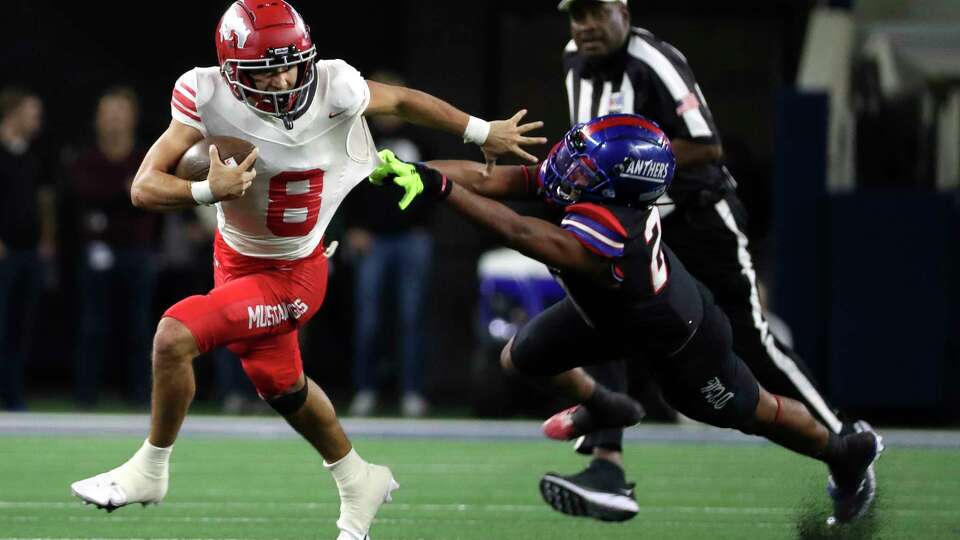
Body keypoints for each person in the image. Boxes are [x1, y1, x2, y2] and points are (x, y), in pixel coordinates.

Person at [69, 2, 545, 539]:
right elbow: (143, 186)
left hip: (294, 273)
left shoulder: (334, 86)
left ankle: (150, 469)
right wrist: (205, 189)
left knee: (174, 335)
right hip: (233, 263)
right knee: (282, 386)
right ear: (229, 71)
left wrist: (483, 132)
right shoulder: (204, 93)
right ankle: (357, 478)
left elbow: (405, 101)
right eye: (264, 70)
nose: (282, 79)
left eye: (290, 64)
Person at [372, 113, 883, 526]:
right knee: (520, 355)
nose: (565, 167)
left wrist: (440, 190)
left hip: (681, 342)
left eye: (581, 165)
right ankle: (607, 406)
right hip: (607, 318)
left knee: (756, 413)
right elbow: (492, 177)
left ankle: (843, 452)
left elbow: (523, 233)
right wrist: (417, 171)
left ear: (615, 184)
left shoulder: (612, 224)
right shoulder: (598, 188)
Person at [545, 0, 868, 520]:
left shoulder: (654, 61)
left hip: (699, 218)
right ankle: (607, 464)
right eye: (575, 15)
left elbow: (707, 146)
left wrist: (634, 156)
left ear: (622, 11)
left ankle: (845, 438)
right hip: (643, 225)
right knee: (597, 310)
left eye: (595, 13)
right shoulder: (572, 59)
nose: (584, 26)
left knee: (751, 341)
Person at [343, 70, 434, 418]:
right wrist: (353, 228)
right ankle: (366, 389)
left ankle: (412, 391)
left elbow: (436, 183)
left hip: (412, 239)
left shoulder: (420, 138)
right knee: (368, 320)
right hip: (373, 240)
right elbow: (346, 184)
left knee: (412, 317)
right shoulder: (358, 135)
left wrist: (424, 227)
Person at [67, 86, 160, 407]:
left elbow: (152, 196)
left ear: (132, 118)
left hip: (139, 250)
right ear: (97, 119)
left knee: (139, 326)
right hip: (97, 250)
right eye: (108, 114)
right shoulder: (86, 158)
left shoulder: (147, 157)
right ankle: (85, 397)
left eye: (121, 113)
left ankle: (141, 396)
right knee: (93, 325)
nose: (114, 121)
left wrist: (126, 196)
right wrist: (127, 193)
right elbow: (86, 193)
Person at [0, 88, 54, 411]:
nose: (37, 120)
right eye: (32, 112)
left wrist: (47, 240)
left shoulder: (36, 153)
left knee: (22, 324)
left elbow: (44, 199)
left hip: (29, 252)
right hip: (3, 253)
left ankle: (14, 394)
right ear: (14, 112)